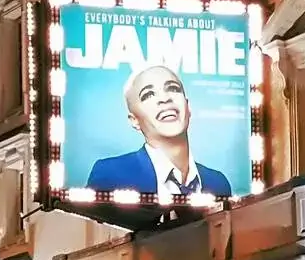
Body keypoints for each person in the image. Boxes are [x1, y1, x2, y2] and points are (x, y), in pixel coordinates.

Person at [84, 65, 234, 197]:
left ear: (188, 107)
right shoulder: (110, 175)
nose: (164, 99)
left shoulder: (218, 184)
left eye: (173, 88)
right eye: (148, 95)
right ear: (134, 120)